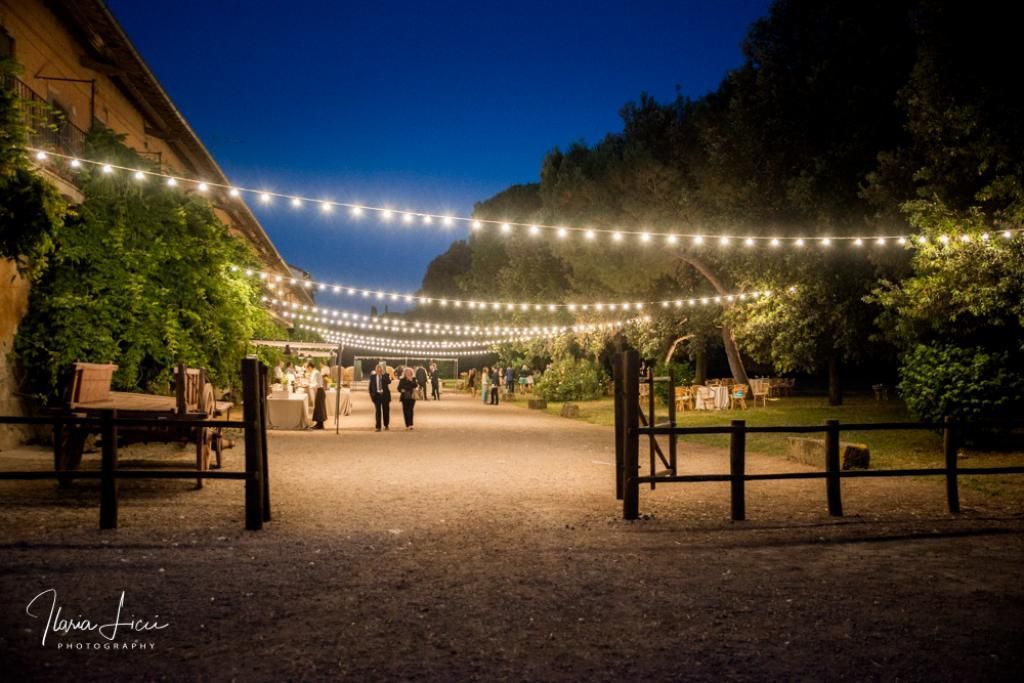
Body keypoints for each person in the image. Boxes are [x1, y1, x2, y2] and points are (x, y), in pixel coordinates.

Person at [368, 363, 391, 431]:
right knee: (378, 412)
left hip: (385, 396)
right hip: (377, 396)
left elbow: (389, 382)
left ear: (382, 370)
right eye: (378, 370)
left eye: (380, 370)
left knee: (386, 411)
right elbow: (370, 388)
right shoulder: (372, 377)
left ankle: (386, 425)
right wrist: (372, 396)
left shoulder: (385, 376)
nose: (379, 371)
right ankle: (378, 427)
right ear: (375, 370)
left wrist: (383, 376)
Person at [307, 362, 327, 429]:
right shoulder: (314, 372)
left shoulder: (315, 373)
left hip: (320, 391)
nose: (307, 370)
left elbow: (316, 384)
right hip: (318, 391)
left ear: (310, 367)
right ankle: (318, 424)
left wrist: (309, 386)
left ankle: (320, 425)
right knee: (318, 409)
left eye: (307, 368)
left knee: (320, 409)